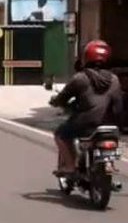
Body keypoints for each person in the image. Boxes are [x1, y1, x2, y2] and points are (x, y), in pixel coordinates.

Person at [50, 40, 123, 176]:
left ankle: (71, 166)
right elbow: (118, 105)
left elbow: (63, 97)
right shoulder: (114, 79)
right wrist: (119, 124)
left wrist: (56, 101)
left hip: (85, 123)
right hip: (109, 125)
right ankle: (108, 163)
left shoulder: (80, 78)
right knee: (111, 138)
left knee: (60, 135)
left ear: (86, 57)